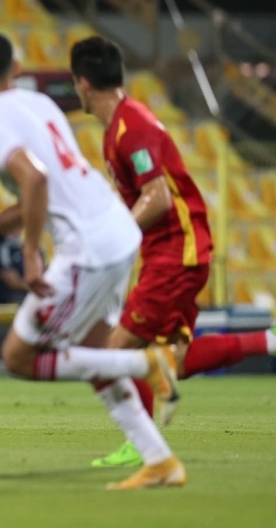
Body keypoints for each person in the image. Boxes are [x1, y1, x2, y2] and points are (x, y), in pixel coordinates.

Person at [0, 31, 183, 490]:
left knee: (18, 356)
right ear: (17, 69)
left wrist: (29, 255)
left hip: (87, 249)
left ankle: (147, 364)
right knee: (94, 354)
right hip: (117, 232)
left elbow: (36, 183)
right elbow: (39, 191)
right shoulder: (39, 104)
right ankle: (159, 459)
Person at [70, 35, 276, 468]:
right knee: (172, 362)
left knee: (115, 353)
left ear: (83, 83)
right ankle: (269, 340)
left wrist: (113, 232)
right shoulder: (120, 129)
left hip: (176, 254)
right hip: (174, 252)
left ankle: (143, 446)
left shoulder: (132, 128)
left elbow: (158, 198)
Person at [0, 231, 29, 306]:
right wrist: (35, 288)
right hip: (7, 296)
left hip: (26, 293)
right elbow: (12, 281)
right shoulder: (1, 247)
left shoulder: (27, 246)